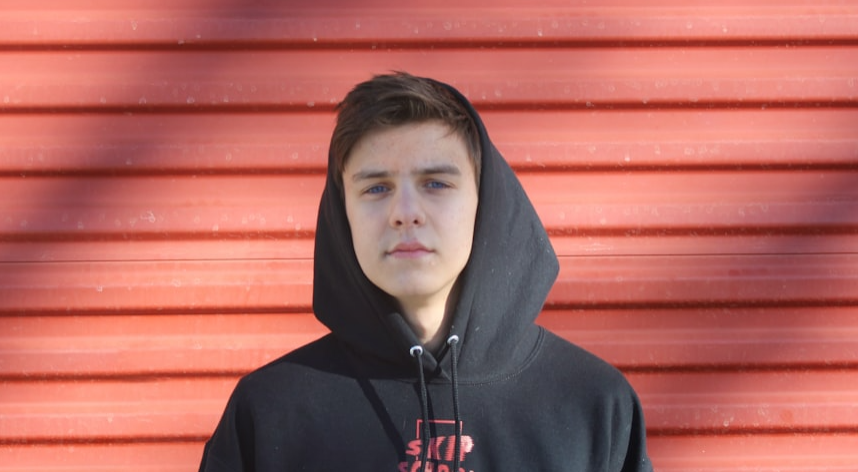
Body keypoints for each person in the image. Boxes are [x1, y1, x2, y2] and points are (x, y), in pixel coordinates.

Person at [199, 72, 653, 471]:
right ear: (342, 213)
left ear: (485, 204)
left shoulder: (593, 404)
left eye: (436, 183)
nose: (405, 212)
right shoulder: (270, 413)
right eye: (376, 188)